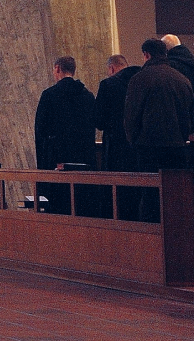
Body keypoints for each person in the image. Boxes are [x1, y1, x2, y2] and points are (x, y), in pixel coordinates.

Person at [125, 38, 194, 221]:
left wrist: (135, 141)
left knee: (150, 199)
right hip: (177, 149)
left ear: (146, 55)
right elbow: (188, 117)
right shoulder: (182, 80)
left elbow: (131, 117)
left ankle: (151, 243)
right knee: (175, 199)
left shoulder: (139, 79)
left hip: (148, 149)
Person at [34, 56, 96, 215]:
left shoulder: (49, 95)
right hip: (83, 158)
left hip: (57, 157)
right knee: (80, 203)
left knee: (58, 204)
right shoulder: (88, 96)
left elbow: (40, 130)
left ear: (57, 69)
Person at [94, 54, 141, 219]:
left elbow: (99, 120)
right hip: (139, 150)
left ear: (111, 68)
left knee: (117, 198)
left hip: (116, 150)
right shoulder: (141, 81)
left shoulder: (108, 85)